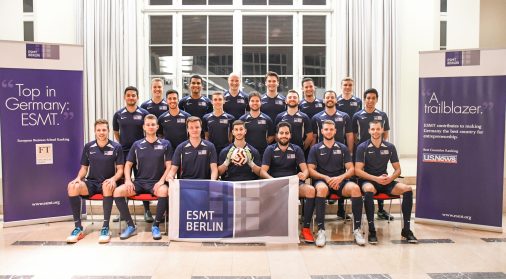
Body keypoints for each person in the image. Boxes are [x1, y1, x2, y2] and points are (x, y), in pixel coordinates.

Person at [354, 120, 417, 244]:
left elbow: (398, 169)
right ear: (369, 131)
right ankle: (372, 230)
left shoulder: (390, 147)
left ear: (382, 130)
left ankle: (406, 230)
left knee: (407, 189)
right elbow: (357, 171)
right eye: (373, 129)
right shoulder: (362, 147)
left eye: (378, 129)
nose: (375, 131)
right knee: (368, 190)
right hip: (369, 180)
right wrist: (376, 178)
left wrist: (390, 178)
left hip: (386, 180)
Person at [113, 115, 173, 240]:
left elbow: (169, 166)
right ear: (144, 127)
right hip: (139, 182)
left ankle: (155, 226)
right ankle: (130, 226)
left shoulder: (165, 144)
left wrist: (162, 181)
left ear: (157, 127)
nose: (150, 127)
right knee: (118, 192)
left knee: (164, 191)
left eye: (153, 124)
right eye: (148, 125)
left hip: (157, 182)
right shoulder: (137, 145)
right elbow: (128, 165)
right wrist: (128, 180)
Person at [307, 120, 365, 247]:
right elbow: (310, 170)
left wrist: (340, 178)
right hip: (323, 181)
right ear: (322, 131)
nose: (328, 131)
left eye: (331, 129)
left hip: (341, 181)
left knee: (355, 189)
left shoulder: (342, 147)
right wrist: (327, 178)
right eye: (326, 129)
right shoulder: (315, 148)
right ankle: (321, 230)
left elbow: (351, 169)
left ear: (335, 131)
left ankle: (357, 230)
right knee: (321, 189)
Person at [66, 119, 124, 244]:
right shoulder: (88, 147)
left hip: (108, 182)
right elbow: (84, 168)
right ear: (95, 131)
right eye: (98, 130)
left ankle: (105, 227)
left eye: (104, 130)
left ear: (108, 131)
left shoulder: (116, 147)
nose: (101, 132)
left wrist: (113, 179)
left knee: (107, 186)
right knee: (72, 187)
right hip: (92, 182)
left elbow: (120, 170)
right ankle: (78, 228)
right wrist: (78, 178)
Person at [259, 122, 316, 243]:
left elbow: (305, 170)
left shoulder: (297, 149)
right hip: (275, 184)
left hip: (293, 184)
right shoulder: (270, 149)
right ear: (277, 135)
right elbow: (263, 172)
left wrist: (303, 175)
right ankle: (267, 226)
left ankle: (305, 229)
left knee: (311, 191)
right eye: (281, 133)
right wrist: (273, 181)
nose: (284, 135)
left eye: (286, 133)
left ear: (290, 135)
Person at [311, 90, 354, 220]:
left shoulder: (344, 116)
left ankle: (341, 210)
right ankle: (320, 211)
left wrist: (350, 152)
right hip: (321, 152)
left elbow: (349, 135)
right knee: (322, 183)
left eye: (332, 97)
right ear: (323, 100)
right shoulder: (317, 117)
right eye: (327, 97)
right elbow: (314, 136)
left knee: (340, 175)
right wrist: (313, 150)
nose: (330, 99)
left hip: (340, 151)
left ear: (336, 100)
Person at [112, 86, 153, 222]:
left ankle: (147, 210)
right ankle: (122, 212)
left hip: (142, 152)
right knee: (123, 181)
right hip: (124, 152)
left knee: (142, 179)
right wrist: (124, 144)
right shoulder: (118, 114)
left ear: (137, 97)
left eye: (133, 95)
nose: (131, 97)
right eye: (128, 95)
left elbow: (148, 131)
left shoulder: (143, 113)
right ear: (125, 97)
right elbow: (116, 133)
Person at [352, 88, 393, 221]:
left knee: (381, 176)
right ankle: (361, 207)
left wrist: (380, 146)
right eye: (368, 98)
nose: (370, 100)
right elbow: (353, 135)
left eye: (373, 98)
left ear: (376, 99)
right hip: (362, 152)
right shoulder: (357, 115)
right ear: (364, 99)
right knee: (363, 179)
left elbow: (385, 132)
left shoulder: (382, 115)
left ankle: (381, 210)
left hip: (377, 151)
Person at [239, 91, 275, 156]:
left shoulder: (267, 119)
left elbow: (272, 136)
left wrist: (263, 143)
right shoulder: (242, 119)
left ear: (260, 102)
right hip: (246, 153)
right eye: (252, 101)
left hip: (263, 153)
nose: (255, 103)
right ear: (249, 103)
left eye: (257, 101)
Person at [202, 91, 235, 156]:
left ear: (224, 101)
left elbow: (231, 136)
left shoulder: (231, 118)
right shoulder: (206, 118)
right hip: (211, 150)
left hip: (226, 150)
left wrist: (227, 147)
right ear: (212, 102)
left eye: (220, 99)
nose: (217, 102)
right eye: (215, 99)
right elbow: (206, 136)